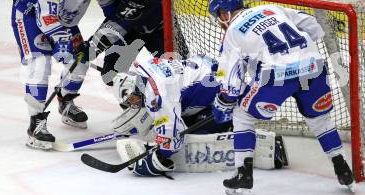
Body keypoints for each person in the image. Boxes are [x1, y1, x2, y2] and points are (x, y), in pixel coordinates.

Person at [208, 0, 354, 195]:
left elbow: (232, 84)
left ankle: (243, 176)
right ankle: (343, 168)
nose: (220, 22)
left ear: (224, 14)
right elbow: (313, 25)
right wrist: (295, 53)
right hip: (313, 66)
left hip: (277, 76)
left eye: (218, 16)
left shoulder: (232, 32)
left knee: (242, 115)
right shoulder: (271, 8)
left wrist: (223, 102)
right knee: (319, 118)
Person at [11, 0, 115, 150]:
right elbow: (46, 15)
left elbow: (108, 6)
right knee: (40, 64)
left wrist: (119, 28)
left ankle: (66, 103)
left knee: (81, 60)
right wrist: (61, 41)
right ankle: (35, 125)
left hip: (65, 19)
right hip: (30, 13)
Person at [108, 47, 288, 177]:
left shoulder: (155, 93)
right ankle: (230, 119)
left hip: (221, 90)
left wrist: (158, 158)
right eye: (129, 102)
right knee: (180, 114)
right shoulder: (140, 68)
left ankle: (261, 143)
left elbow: (173, 136)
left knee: (193, 134)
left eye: (132, 98)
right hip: (214, 72)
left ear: (135, 86)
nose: (134, 103)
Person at [77, 0, 165, 85]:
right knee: (110, 75)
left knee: (178, 73)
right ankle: (136, 102)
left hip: (159, 29)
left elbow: (120, 23)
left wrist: (92, 47)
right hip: (132, 31)